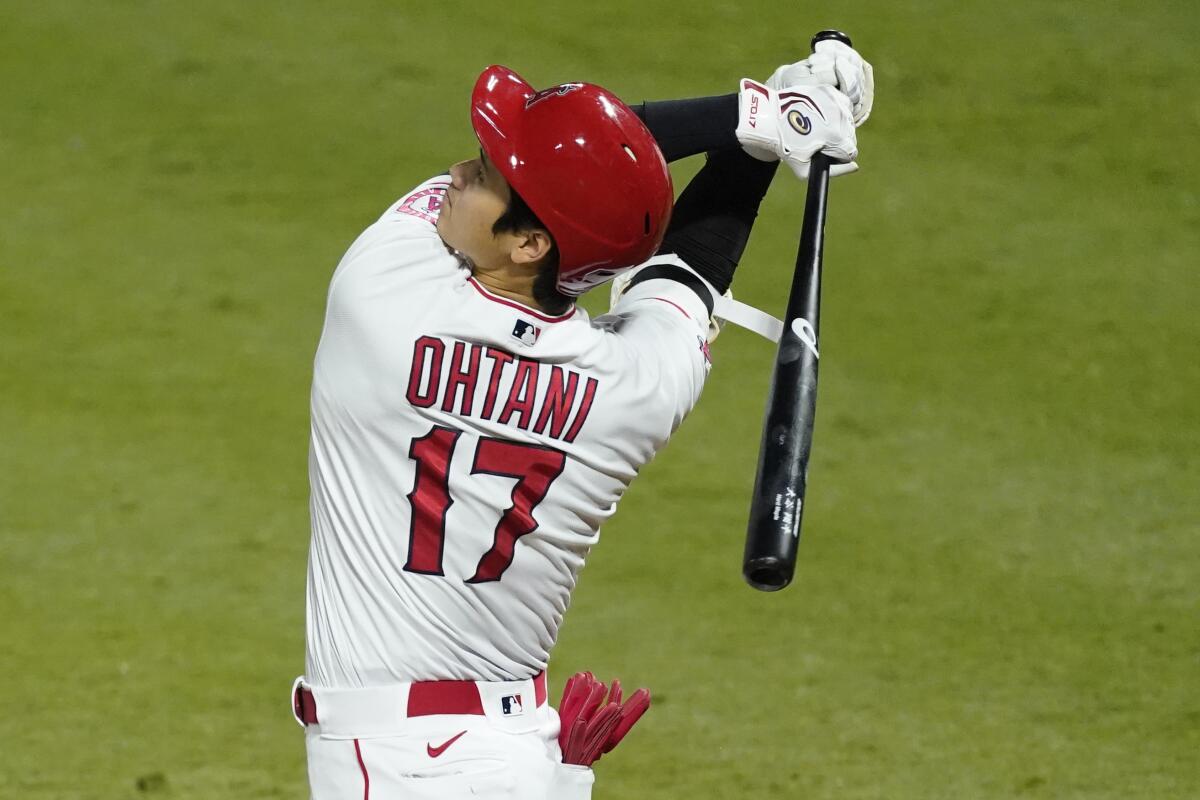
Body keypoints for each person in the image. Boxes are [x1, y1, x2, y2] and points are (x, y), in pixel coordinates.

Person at [292, 41, 873, 800]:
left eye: (489, 174)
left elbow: (621, 146)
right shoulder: (633, 390)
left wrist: (759, 115)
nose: (462, 171)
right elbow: (690, 267)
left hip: (400, 763)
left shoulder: (386, 296)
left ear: (530, 244)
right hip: (516, 752)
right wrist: (767, 130)